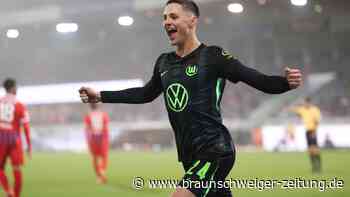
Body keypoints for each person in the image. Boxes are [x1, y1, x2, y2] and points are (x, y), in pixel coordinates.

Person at [79, 0, 302, 196]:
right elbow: (145, 94)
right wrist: (99, 96)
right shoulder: (164, 62)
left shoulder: (213, 56)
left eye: (173, 16)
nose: (167, 22)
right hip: (189, 155)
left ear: (192, 21)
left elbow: (255, 78)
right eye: (164, 17)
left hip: (215, 150)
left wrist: (284, 82)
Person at [0, 78, 31, 197]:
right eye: (16, 87)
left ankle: (9, 191)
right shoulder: (19, 105)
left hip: (1, 138)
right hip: (14, 138)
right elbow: (26, 126)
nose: (17, 89)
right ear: (12, 88)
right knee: (17, 169)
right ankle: (16, 195)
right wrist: (28, 144)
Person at [290, 97, 321, 173]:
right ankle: (314, 167)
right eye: (304, 103)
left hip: (312, 130)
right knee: (310, 150)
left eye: (306, 102)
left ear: (309, 102)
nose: (305, 104)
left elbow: (317, 121)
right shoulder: (303, 109)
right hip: (307, 131)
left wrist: (314, 131)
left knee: (315, 149)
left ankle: (319, 166)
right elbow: (294, 110)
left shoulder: (315, 110)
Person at [84, 103, 110, 184]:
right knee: (104, 156)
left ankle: (100, 175)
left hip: (93, 138)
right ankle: (102, 172)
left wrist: (88, 140)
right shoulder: (104, 115)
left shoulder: (88, 116)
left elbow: (87, 129)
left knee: (95, 158)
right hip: (102, 138)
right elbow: (106, 127)